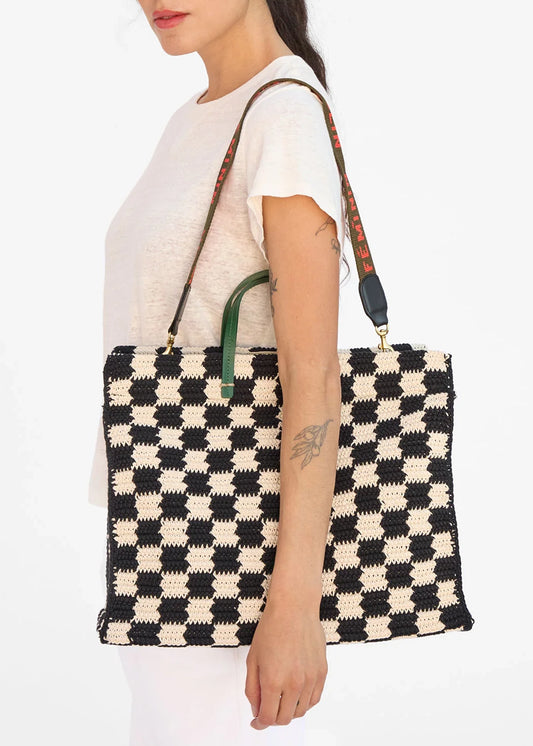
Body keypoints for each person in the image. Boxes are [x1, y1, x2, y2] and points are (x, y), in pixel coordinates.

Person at [90, 1, 351, 742]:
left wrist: (295, 605)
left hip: (225, 538)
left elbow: (313, 374)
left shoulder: (282, 112)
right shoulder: (199, 117)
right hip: (157, 515)